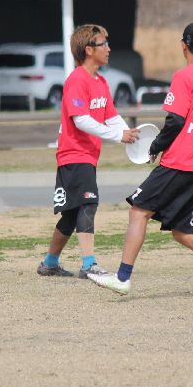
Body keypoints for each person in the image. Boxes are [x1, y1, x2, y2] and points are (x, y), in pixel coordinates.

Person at [87, 22, 193, 297]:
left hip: (180, 161)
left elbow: (175, 120)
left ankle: (122, 278)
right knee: (184, 231)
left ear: (183, 45)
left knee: (138, 211)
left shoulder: (184, 76)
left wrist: (155, 147)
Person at [37, 24, 139, 279]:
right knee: (88, 204)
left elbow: (111, 117)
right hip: (74, 155)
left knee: (72, 214)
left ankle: (49, 263)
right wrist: (118, 136)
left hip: (88, 156)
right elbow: (81, 120)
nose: (109, 48)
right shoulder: (76, 80)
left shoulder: (101, 81)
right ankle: (89, 264)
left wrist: (133, 137)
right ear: (89, 50)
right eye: (103, 44)